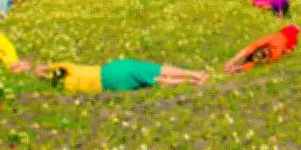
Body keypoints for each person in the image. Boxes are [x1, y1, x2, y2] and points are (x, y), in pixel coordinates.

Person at [32, 58, 209, 94]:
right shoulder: (69, 68)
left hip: (111, 86)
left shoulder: (67, 87)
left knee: (153, 81)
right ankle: (194, 74)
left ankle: (192, 82)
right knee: (154, 70)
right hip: (110, 70)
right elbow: (51, 67)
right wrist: (43, 68)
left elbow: (50, 76)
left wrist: (45, 77)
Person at [224, 24, 300, 75]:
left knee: (294, 30)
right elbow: (252, 56)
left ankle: (295, 28)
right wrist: (233, 64)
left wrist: (234, 65)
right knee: (294, 31)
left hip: (286, 40)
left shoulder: (275, 50)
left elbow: (252, 58)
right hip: (285, 40)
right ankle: (295, 29)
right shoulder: (275, 50)